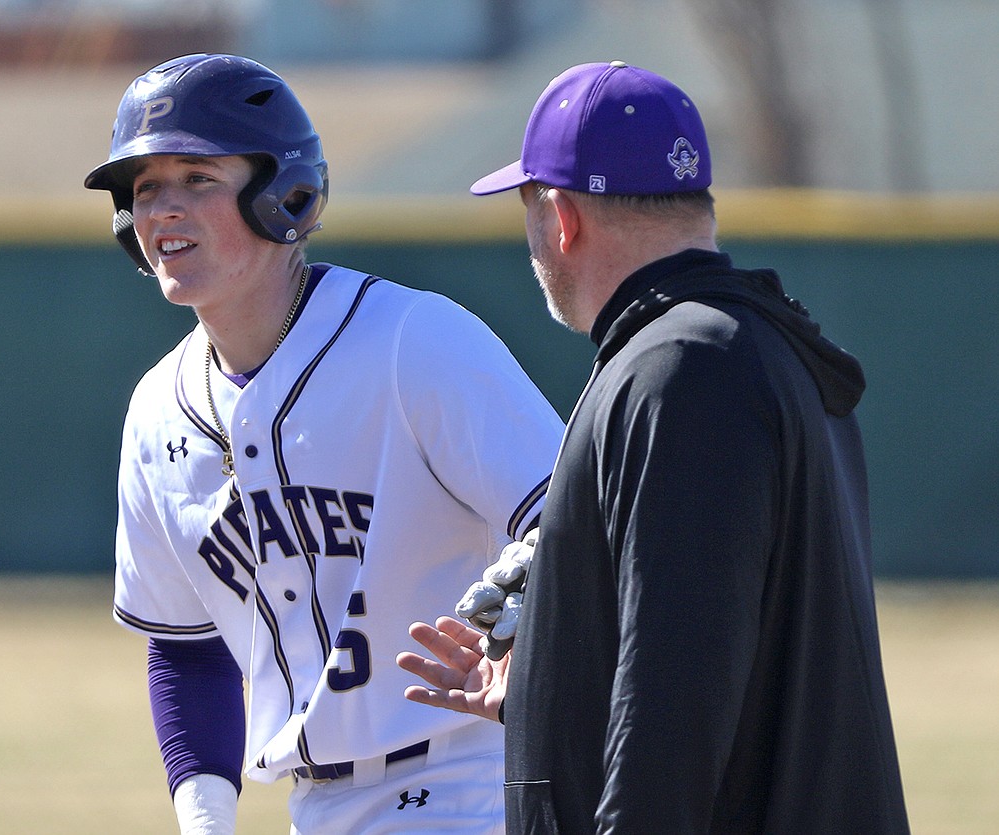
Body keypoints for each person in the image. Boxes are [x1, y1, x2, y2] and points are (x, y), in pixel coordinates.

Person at [398, 61, 910, 833]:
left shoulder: (682, 368)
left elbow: (678, 694)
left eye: (529, 209)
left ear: (562, 217)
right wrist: (551, 690)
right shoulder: (752, 348)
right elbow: (726, 665)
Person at [83, 53, 564, 834]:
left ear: (284, 194)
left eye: (198, 177)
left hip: (474, 776)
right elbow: (187, 647)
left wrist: (533, 629)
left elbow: (573, 518)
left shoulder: (414, 340)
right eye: (144, 189)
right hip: (319, 805)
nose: (164, 209)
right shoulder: (155, 415)